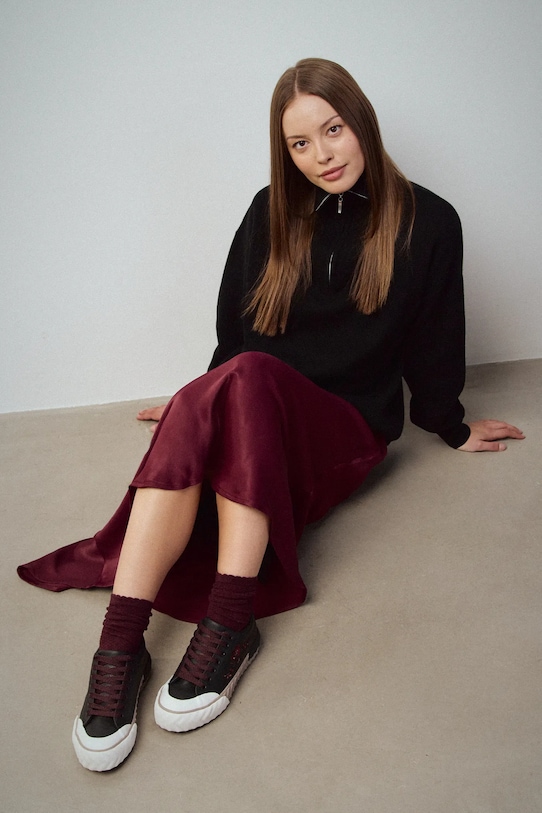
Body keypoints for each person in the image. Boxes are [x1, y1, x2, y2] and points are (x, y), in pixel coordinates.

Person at [17, 58, 524, 772]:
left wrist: (451, 422)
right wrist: (199, 405)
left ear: (362, 122)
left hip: (344, 430)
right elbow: (234, 329)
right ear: (285, 152)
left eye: (334, 130)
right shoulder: (268, 211)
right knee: (240, 378)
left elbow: (437, 336)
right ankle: (120, 644)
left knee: (250, 375)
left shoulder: (429, 221)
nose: (322, 155)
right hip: (257, 407)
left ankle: (231, 620)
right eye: (300, 143)